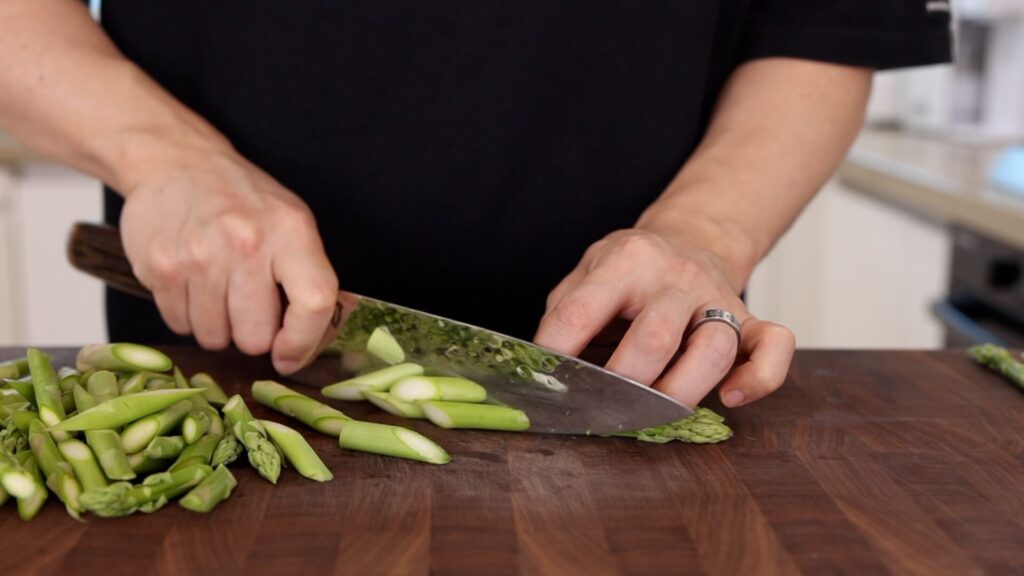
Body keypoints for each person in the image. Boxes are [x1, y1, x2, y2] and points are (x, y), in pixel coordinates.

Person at [0, 1, 951, 409]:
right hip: (215, 367)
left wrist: (705, 234)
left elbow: (828, 24)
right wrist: (167, 159)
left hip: (628, 374)